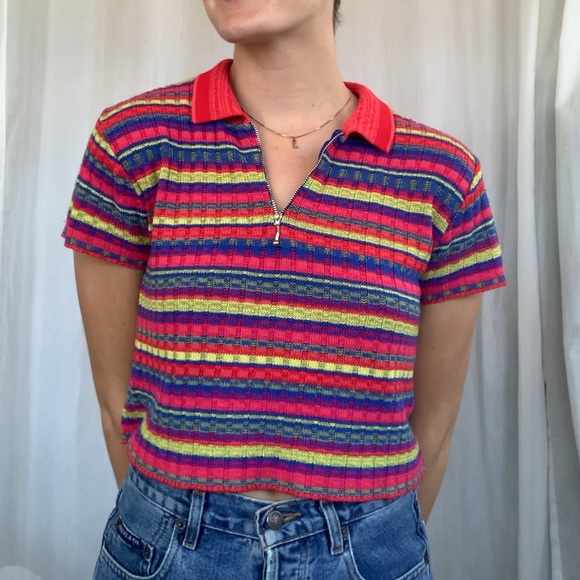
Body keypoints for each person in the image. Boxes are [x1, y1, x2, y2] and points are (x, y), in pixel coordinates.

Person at [63, 1, 506, 578]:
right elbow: (114, 400)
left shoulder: (442, 175)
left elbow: (435, 428)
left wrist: (364, 539)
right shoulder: (132, 142)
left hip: (368, 553)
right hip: (168, 548)